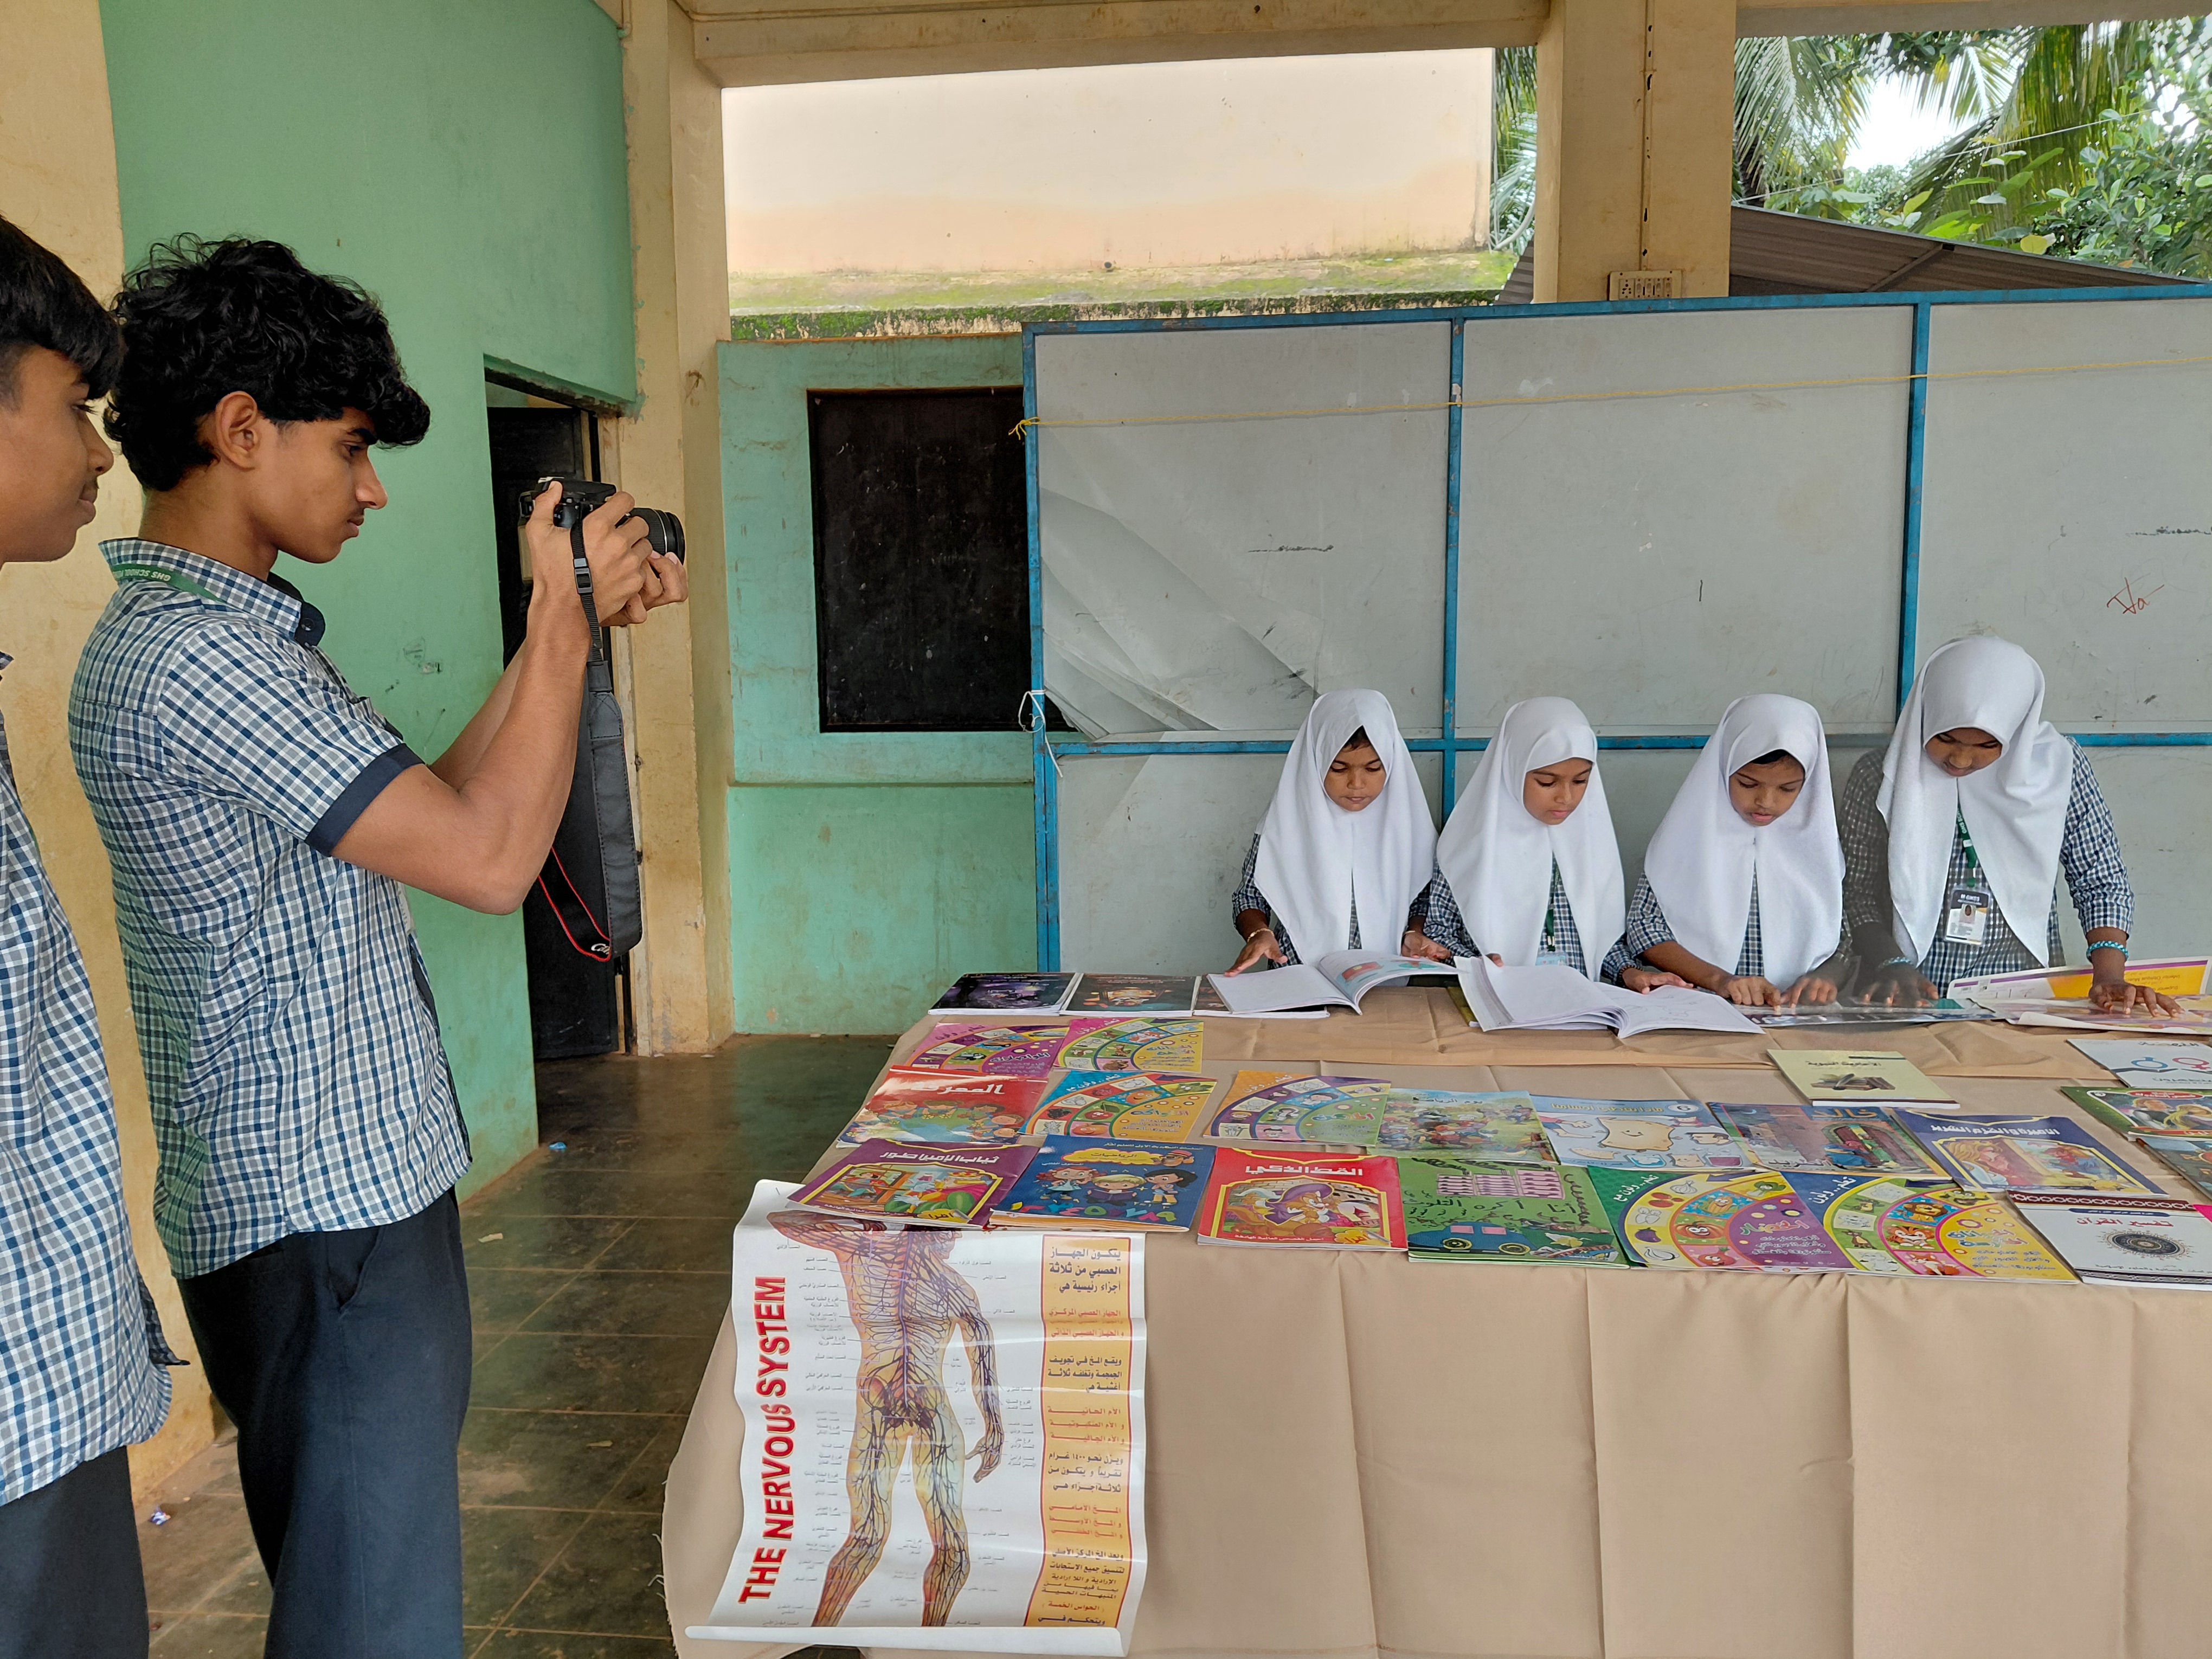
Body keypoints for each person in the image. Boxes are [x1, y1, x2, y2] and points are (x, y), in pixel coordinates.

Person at [69, 236, 685, 1658]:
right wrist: (560, 620)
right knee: (373, 1621)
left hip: (319, 1208)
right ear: (241, 430)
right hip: (327, 1224)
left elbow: (442, 811)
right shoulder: (205, 659)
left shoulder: (222, 638)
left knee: (361, 1585)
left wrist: (560, 637)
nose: (372, 487)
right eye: (349, 448)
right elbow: (490, 861)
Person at [0, 215, 178, 1659]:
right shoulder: (187, 659)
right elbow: (487, 856)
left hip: (43, 1378)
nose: (97, 454)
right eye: (73, 409)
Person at [1840, 635, 2176, 1012]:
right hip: (1903, 993)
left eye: (1987, 745)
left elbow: (2099, 878)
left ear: (2016, 730)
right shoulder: (1882, 775)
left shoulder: (2056, 768)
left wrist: (2109, 975)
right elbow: (1857, 891)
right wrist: (1892, 963)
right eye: (1946, 738)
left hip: (2023, 994)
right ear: (1924, 713)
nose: (1961, 760)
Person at [1602, 695, 1851, 1007]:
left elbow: (1842, 938)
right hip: (1698, 1007)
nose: (1766, 802)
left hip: (1791, 1012)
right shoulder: (1686, 838)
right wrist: (1720, 980)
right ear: (1722, 769)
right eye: (1748, 784)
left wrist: (1826, 977)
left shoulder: (1817, 848)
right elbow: (1644, 927)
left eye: (1788, 789)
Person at [1407, 696, 1625, 979]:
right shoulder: (1468, 846)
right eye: (1547, 782)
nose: (1566, 797)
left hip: (1580, 999)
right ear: (1512, 768)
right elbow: (1439, 931)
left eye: (1581, 781)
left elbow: (1605, 937)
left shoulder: (1594, 844)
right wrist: (1476, 964)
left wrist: (1629, 971)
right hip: (1499, 996)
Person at [1226, 689, 1437, 973]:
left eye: (1373, 768)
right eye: (1338, 768)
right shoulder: (1286, 820)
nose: (1356, 784)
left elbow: (1424, 896)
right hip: (1296, 973)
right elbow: (1250, 894)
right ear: (1315, 762)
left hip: (1384, 976)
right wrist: (1258, 933)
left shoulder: (1409, 824)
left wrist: (1415, 933)